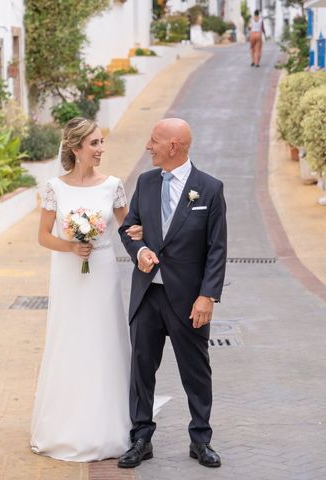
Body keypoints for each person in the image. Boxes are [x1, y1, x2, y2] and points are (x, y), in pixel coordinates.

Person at [30, 117, 143, 462]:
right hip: (69, 274)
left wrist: (141, 236)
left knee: (103, 339)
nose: (101, 149)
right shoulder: (55, 187)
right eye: (94, 143)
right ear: (76, 148)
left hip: (103, 274)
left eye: (101, 142)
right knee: (69, 340)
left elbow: (128, 227)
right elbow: (44, 235)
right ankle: (63, 426)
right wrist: (70, 247)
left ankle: (108, 425)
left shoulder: (113, 185)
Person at [117, 118, 228, 469]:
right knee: (141, 369)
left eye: (154, 141)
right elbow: (128, 228)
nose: (148, 147)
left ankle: (201, 441)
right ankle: (140, 439)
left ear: (173, 147)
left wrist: (207, 295)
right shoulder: (146, 182)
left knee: (196, 371)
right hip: (148, 295)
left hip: (188, 299)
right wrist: (140, 252)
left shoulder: (209, 189)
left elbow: (217, 248)